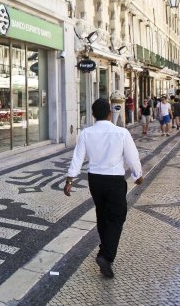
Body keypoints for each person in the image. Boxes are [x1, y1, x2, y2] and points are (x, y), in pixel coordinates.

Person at [64, 98, 143, 278]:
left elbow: (78, 157)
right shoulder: (121, 133)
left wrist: (70, 180)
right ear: (109, 113)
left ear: (93, 115)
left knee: (102, 213)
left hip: (95, 180)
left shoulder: (86, 133)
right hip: (114, 180)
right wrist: (137, 175)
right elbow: (132, 156)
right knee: (117, 217)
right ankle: (106, 256)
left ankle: (104, 248)